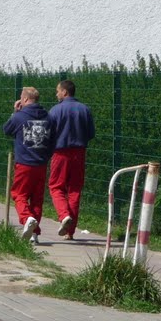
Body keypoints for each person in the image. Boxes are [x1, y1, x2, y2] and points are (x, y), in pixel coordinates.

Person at [47, 79, 95, 240]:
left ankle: (64, 215)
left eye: (58, 91)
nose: (56, 94)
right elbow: (91, 133)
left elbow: (48, 134)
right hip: (79, 153)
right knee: (74, 190)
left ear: (65, 92)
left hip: (60, 153)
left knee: (56, 186)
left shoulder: (55, 111)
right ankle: (70, 231)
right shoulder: (85, 110)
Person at [3, 86, 52, 244]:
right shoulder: (48, 117)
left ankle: (26, 218)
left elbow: (7, 130)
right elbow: (53, 140)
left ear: (24, 99)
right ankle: (34, 234)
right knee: (37, 199)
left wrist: (16, 112)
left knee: (19, 195)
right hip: (41, 164)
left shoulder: (20, 117)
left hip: (24, 163)